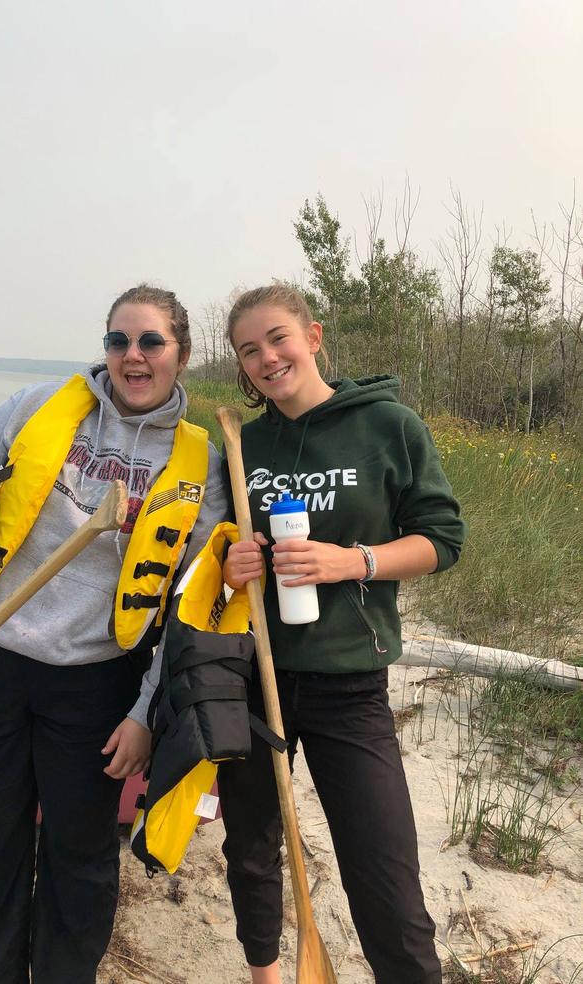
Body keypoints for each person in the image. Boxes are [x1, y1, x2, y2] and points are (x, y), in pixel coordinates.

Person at [0, 284, 228, 984]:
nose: (132, 356)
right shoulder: (32, 409)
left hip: (96, 683)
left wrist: (145, 713)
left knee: (79, 858)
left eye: (151, 343)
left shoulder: (200, 463)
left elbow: (188, 611)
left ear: (180, 355)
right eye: (118, 341)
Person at [218, 283, 466, 984]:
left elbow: (442, 540)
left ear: (313, 336)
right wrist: (231, 564)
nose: (267, 358)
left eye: (277, 338)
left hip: (348, 680)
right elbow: (219, 556)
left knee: (383, 869)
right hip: (254, 673)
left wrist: (353, 561)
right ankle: (268, 974)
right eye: (248, 350)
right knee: (252, 847)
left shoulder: (388, 425)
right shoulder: (244, 443)